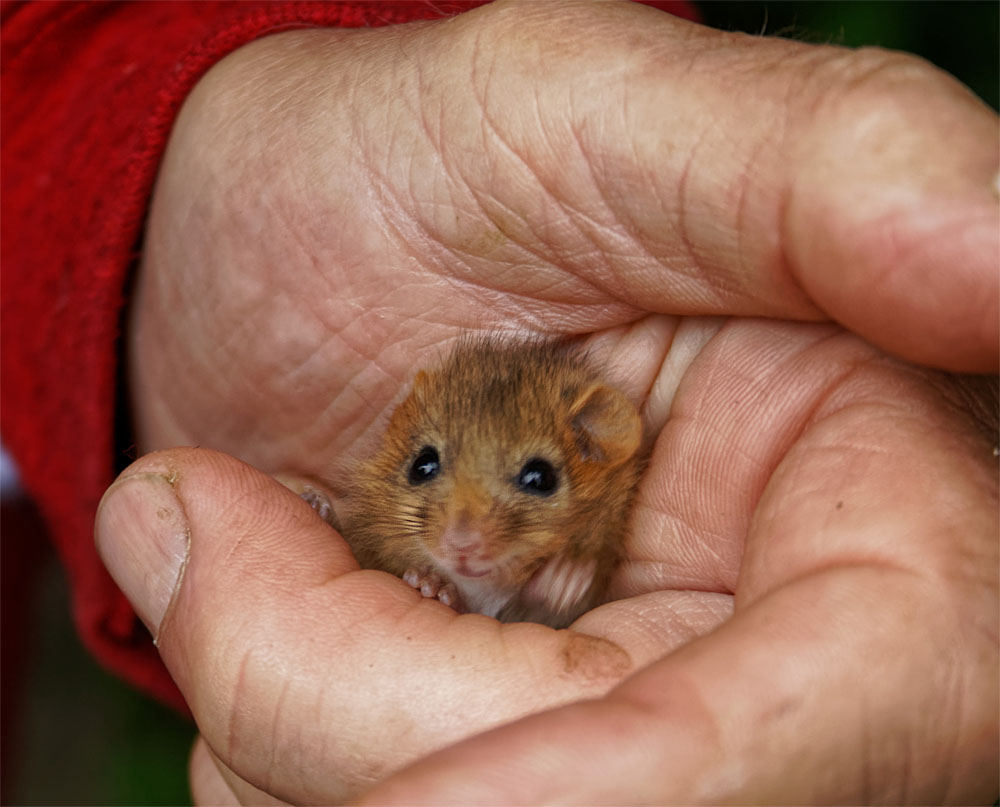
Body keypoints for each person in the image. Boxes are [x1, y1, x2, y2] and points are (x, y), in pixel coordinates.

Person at [5, 0, 997, 804]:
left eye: (531, 479)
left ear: (599, 447)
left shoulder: (608, 518)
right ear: (405, 436)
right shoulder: (389, 511)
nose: (465, 529)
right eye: (429, 468)